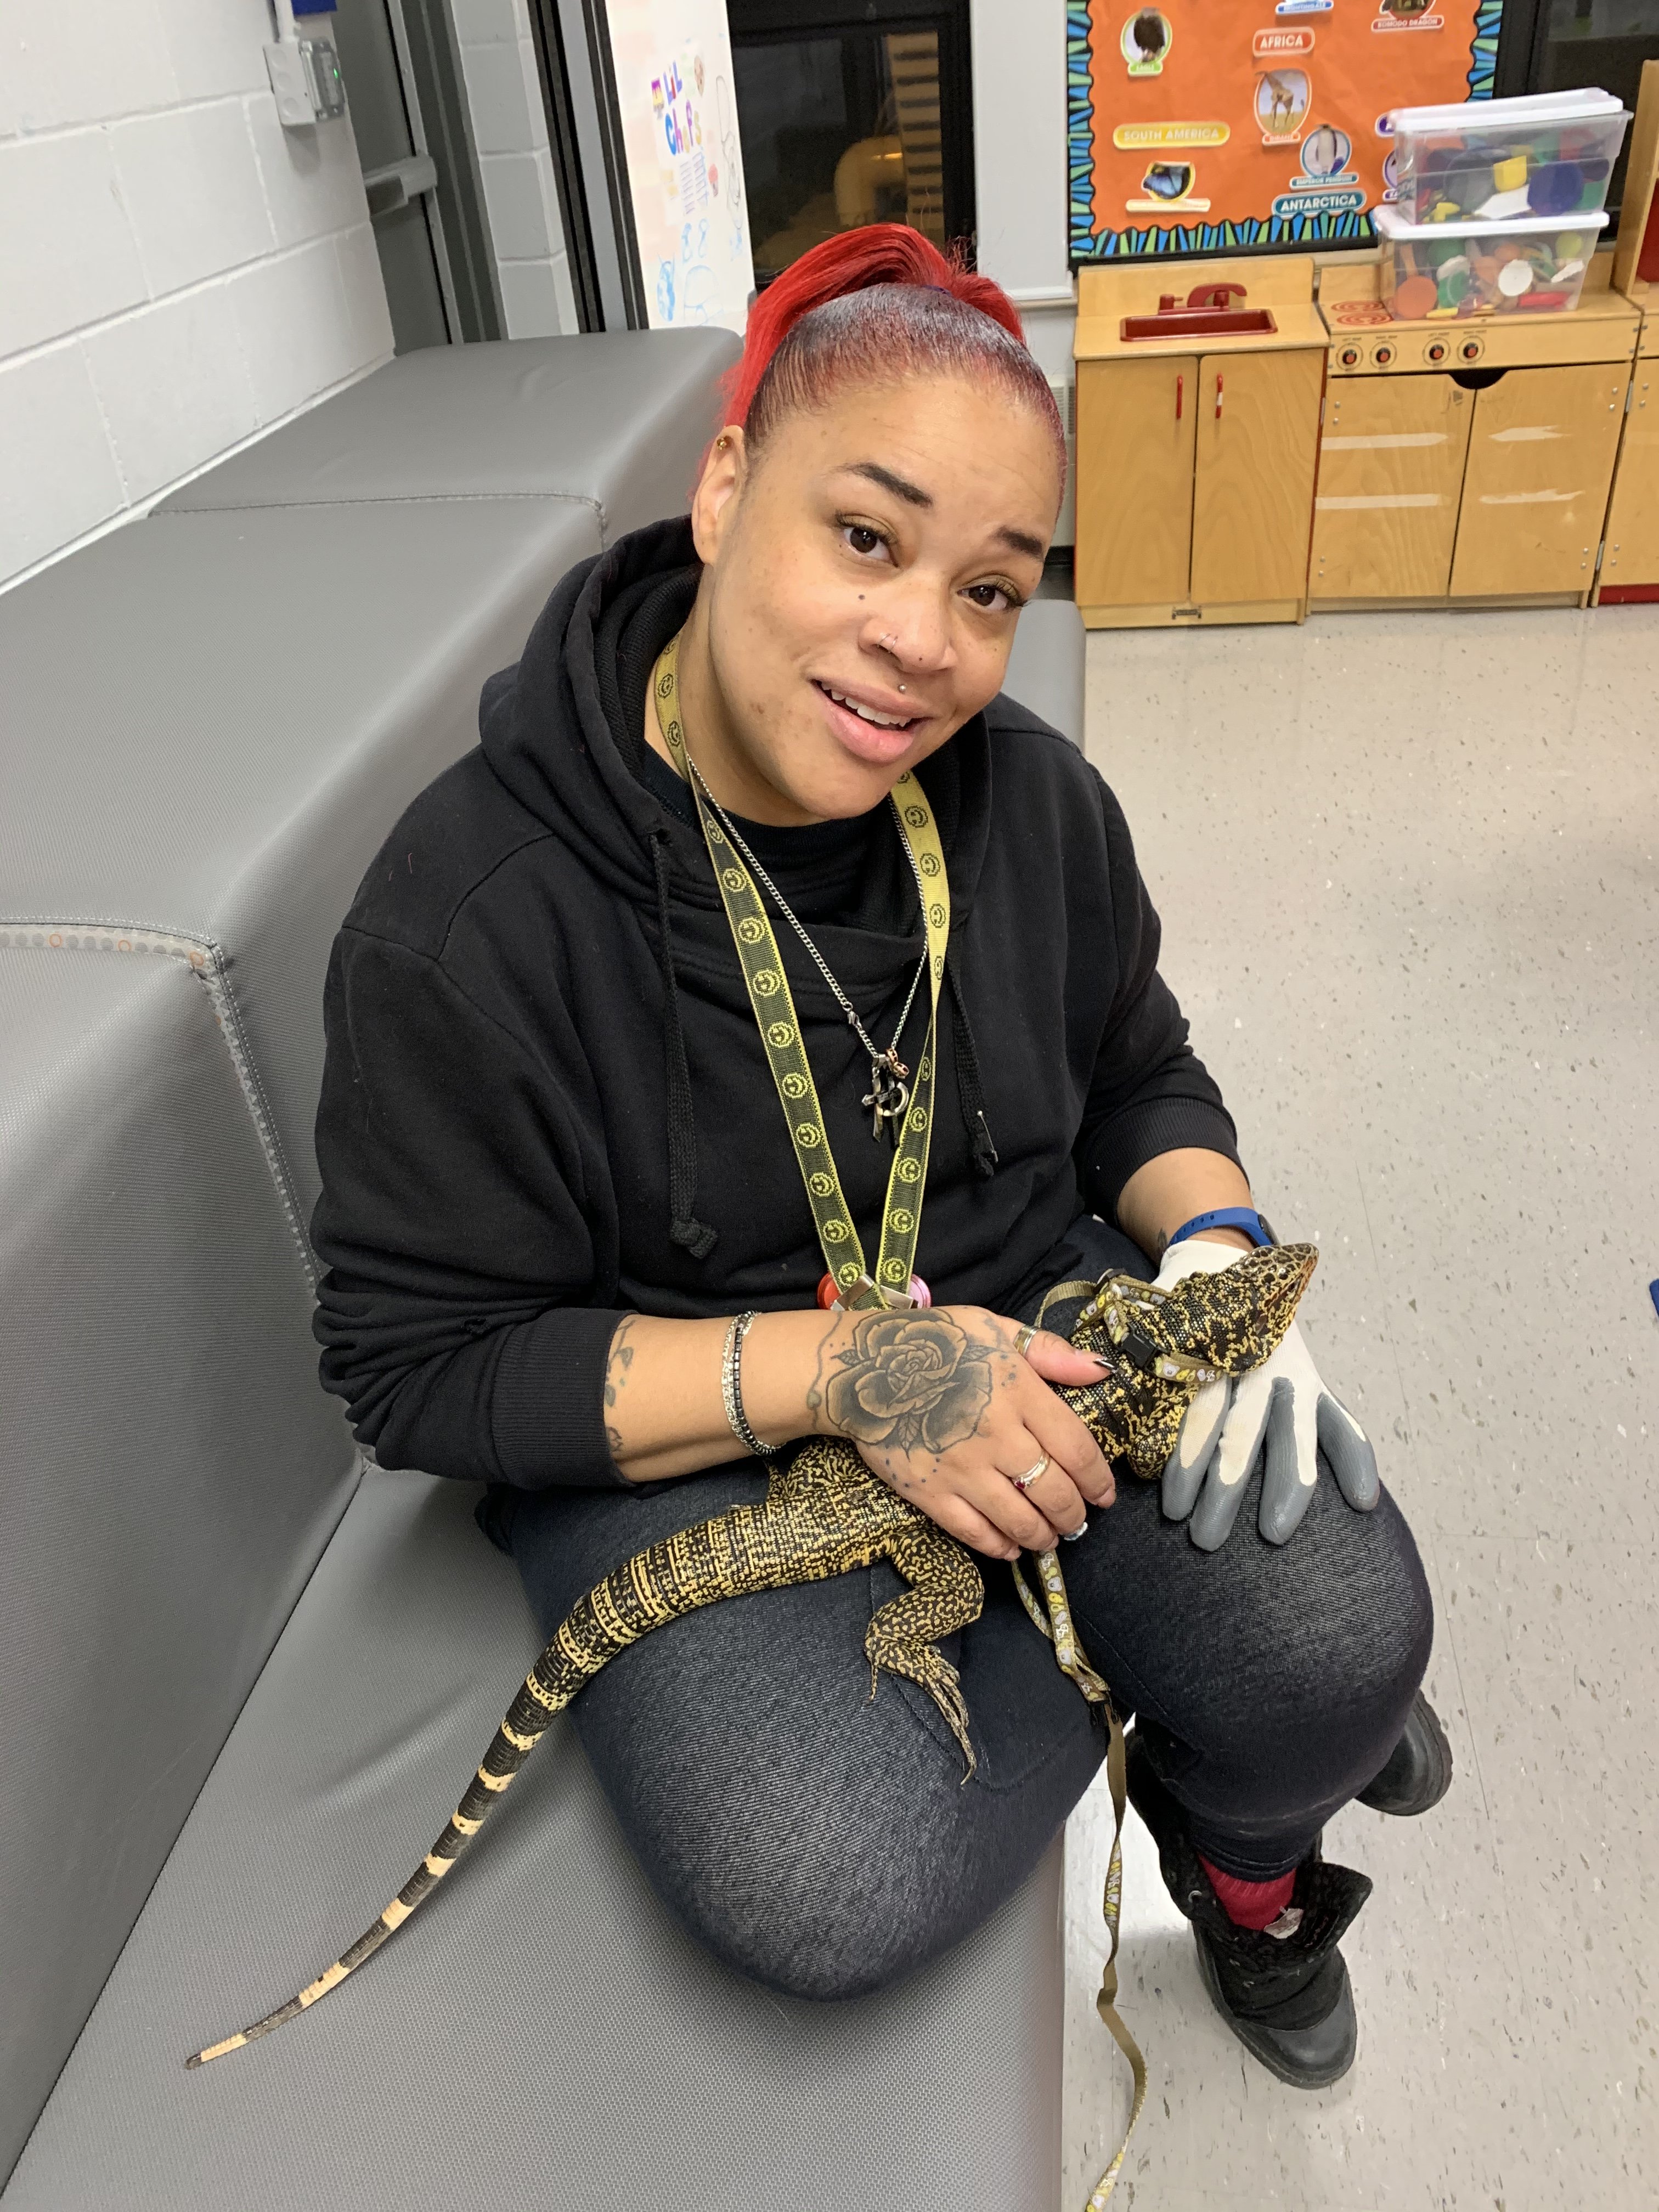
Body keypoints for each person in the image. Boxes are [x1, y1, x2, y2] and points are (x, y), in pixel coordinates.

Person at [311, 226, 1445, 2090]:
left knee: (1344, 1628)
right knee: (825, 1872)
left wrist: (1216, 1244)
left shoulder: (1038, 804)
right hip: (688, 1411)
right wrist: (851, 1375)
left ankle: (1243, 1869)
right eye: (864, 535)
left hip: (1034, 1318)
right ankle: (1194, 1694)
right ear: (724, 486)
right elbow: (419, 1373)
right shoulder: (468, 921)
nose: (924, 643)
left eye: (992, 588)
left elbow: (1141, 1070)